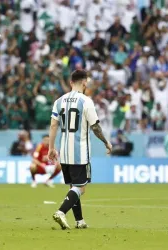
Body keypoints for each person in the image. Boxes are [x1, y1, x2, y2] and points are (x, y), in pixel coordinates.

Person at [48, 70, 112, 230]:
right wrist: (106, 142)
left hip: (64, 152)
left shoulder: (59, 101)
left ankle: (79, 220)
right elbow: (95, 126)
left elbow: (53, 125)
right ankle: (61, 212)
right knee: (81, 188)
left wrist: (51, 148)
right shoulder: (86, 101)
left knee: (73, 186)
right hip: (80, 153)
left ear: (71, 82)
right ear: (84, 83)